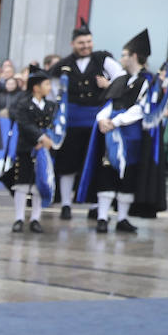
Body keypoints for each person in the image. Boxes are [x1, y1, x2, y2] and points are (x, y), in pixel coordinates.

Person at [78, 28, 165, 233]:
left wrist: (116, 121)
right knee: (107, 171)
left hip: (132, 136)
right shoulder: (121, 79)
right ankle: (102, 217)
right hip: (112, 135)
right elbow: (109, 102)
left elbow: (142, 108)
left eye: (124, 55)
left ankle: (123, 218)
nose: (122, 58)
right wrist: (102, 119)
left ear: (134, 56)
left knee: (129, 176)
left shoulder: (149, 81)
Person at [52, 19, 122, 219]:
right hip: (71, 121)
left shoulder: (103, 59)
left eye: (89, 42)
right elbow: (54, 93)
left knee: (96, 162)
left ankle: (95, 206)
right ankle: (66, 204)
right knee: (67, 163)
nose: (86, 46)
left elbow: (123, 80)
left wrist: (108, 85)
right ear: (73, 44)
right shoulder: (62, 65)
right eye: (81, 43)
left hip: (96, 121)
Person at [0, 65, 56, 233]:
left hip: (43, 151)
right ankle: (19, 217)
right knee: (22, 184)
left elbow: (54, 125)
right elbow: (24, 124)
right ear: (36, 87)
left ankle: (35, 218)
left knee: (39, 184)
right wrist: (39, 138)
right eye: (46, 85)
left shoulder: (51, 106)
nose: (49, 88)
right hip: (26, 149)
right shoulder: (23, 104)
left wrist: (48, 139)